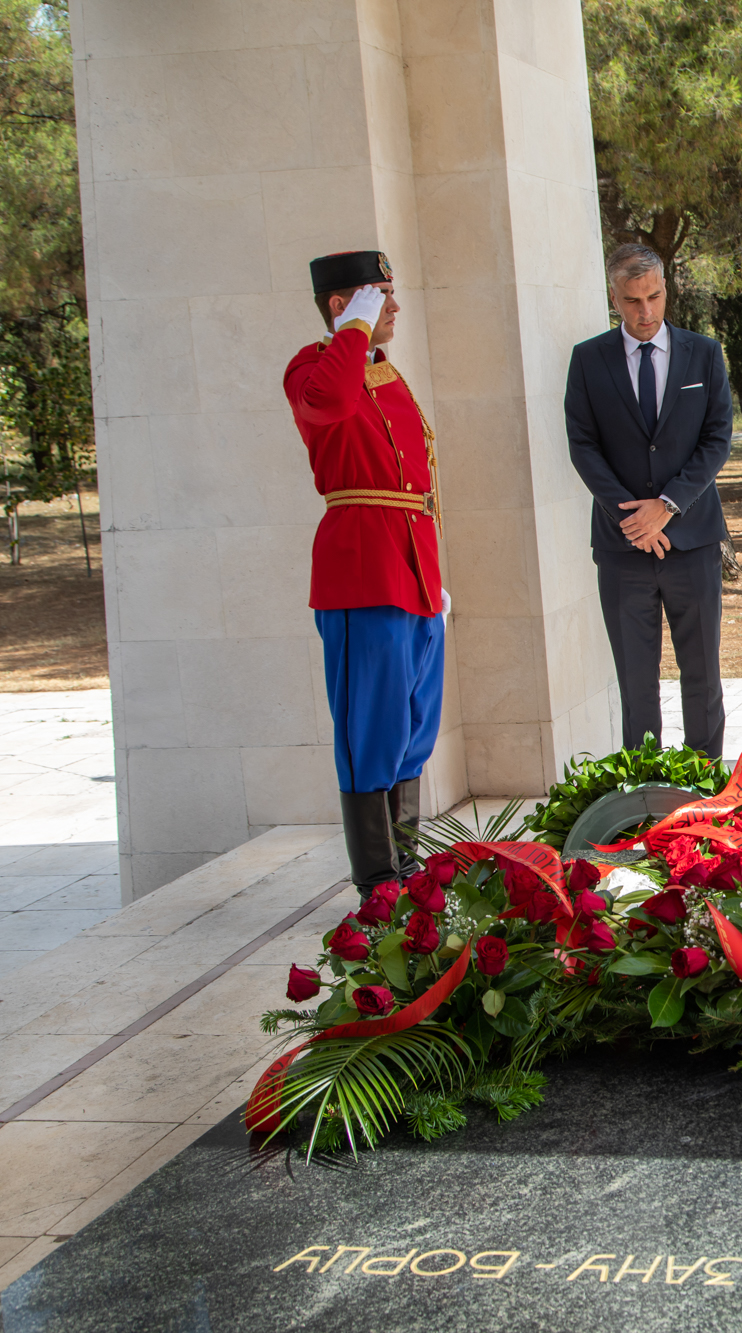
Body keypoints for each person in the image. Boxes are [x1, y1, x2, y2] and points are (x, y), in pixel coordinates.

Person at [284, 250, 445, 898]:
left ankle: (405, 865)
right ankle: (378, 879)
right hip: (362, 570)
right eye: (381, 296)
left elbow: (418, 472)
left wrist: (433, 576)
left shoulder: (385, 371)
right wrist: (353, 326)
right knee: (369, 728)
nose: (395, 307)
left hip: (413, 570)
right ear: (341, 306)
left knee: (413, 723)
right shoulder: (312, 367)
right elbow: (327, 404)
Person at [564, 243, 734, 757]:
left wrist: (668, 505)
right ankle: (643, 792)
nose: (645, 312)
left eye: (654, 297)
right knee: (636, 684)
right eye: (633, 300)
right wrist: (634, 520)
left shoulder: (704, 353)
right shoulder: (588, 360)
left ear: (666, 290)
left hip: (693, 542)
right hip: (623, 551)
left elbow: (717, 438)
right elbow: (583, 446)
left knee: (702, 676)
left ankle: (707, 791)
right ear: (614, 297)